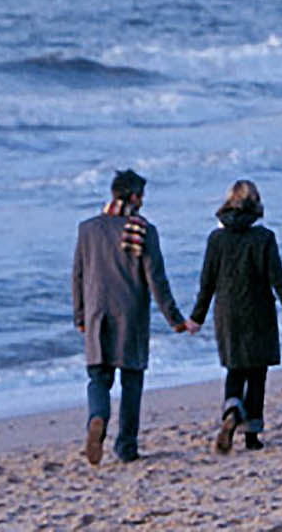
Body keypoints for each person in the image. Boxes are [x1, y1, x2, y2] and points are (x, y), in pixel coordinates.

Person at [71, 167, 188, 463]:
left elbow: (78, 275)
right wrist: (174, 318)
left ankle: (96, 418)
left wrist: (80, 315)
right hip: (131, 316)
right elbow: (156, 280)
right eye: (142, 195)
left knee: (98, 378)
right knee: (131, 382)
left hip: (97, 312)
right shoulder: (144, 229)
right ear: (134, 196)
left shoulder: (88, 229)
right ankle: (126, 447)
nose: (144, 201)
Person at [187, 179, 282, 453]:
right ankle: (251, 436)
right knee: (257, 374)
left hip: (227, 313)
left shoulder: (216, 239)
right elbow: (278, 279)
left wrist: (197, 317)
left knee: (235, 370)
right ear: (257, 204)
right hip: (258, 311)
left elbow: (207, 282)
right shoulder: (264, 237)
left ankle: (230, 412)